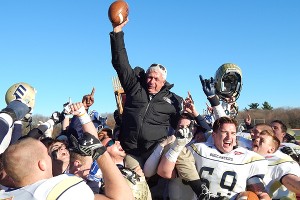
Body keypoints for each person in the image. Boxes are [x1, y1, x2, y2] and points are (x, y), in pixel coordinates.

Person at [0, 102, 133, 200]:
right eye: (47, 153)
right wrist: (100, 151)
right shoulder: (62, 188)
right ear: (42, 164)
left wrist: (82, 114)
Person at [109, 19, 183, 168]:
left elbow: (179, 126)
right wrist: (117, 32)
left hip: (155, 153)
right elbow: (121, 63)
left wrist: (191, 116)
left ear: (164, 82)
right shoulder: (134, 86)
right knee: (137, 183)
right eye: (149, 77)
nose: (151, 81)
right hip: (132, 151)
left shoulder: (173, 100)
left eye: (156, 79)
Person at [159, 117, 271, 200]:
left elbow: (261, 193)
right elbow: (165, 172)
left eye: (233, 133)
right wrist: (177, 146)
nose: (229, 137)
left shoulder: (248, 157)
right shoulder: (198, 149)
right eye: (224, 132)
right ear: (214, 135)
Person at [252, 130, 300, 199]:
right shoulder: (245, 154)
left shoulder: (277, 161)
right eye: (256, 138)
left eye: (262, 140)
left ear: (271, 149)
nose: (256, 140)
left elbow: (290, 180)